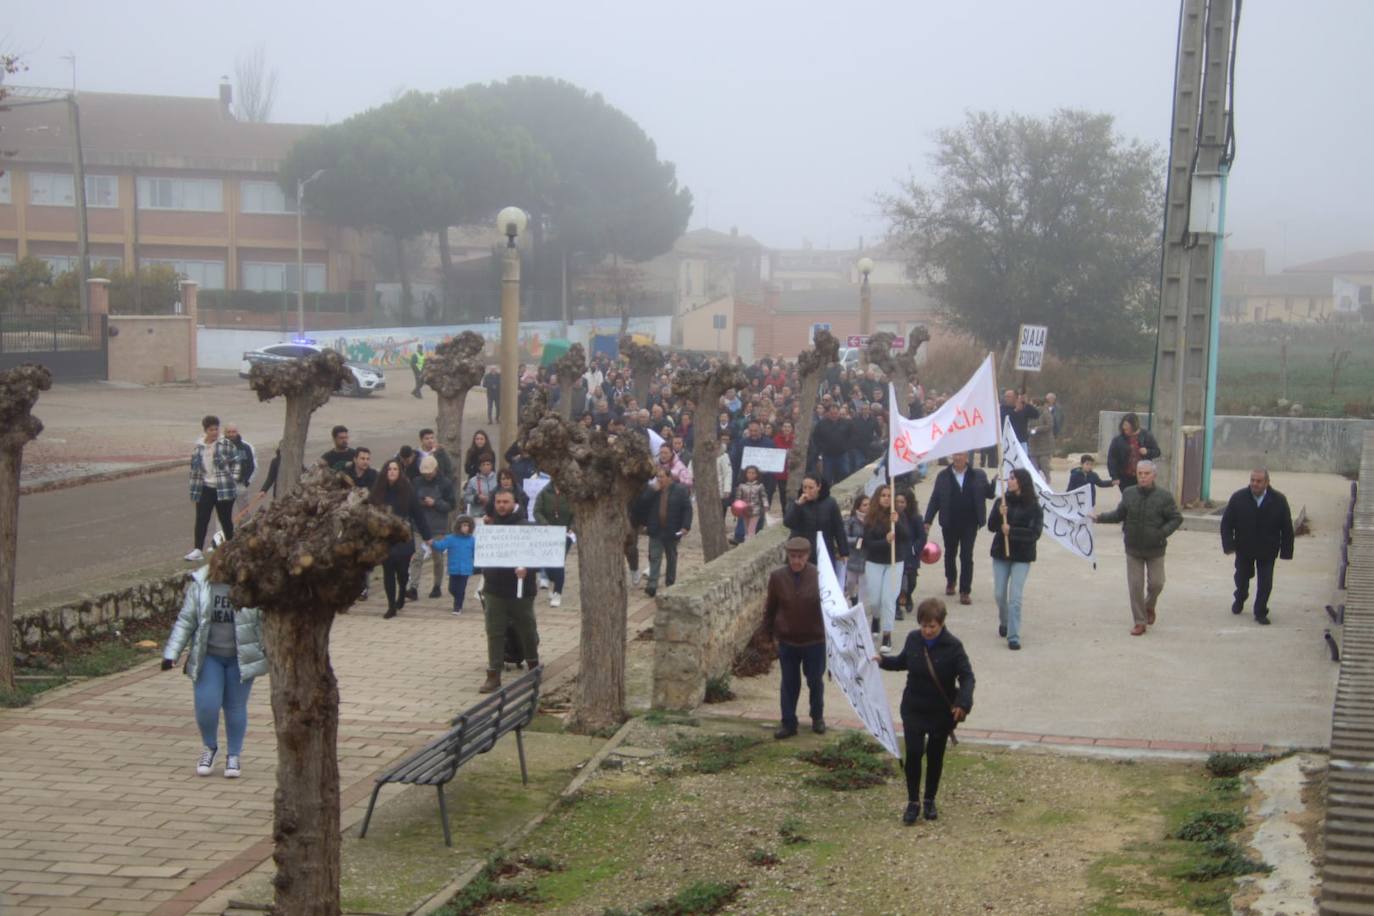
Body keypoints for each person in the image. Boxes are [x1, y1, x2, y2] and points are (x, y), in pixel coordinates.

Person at [161, 565, 266, 779]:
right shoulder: (202, 584)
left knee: (235, 707)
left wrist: (271, 650)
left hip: (241, 658)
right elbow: (186, 620)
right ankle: (209, 748)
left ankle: (234, 755)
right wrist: (171, 653)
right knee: (207, 705)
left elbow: (266, 621)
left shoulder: (253, 584)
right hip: (209, 657)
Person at [876, 598, 974, 824]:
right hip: (914, 707)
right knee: (913, 753)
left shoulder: (953, 646)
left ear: (941, 623)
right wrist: (881, 661)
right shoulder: (913, 639)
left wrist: (963, 703)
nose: (927, 631)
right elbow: (902, 662)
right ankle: (913, 801)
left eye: (932, 626)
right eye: (924, 626)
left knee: (935, 755)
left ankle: (930, 799)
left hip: (940, 711)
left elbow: (967, 677)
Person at [1093, 460, 1183, 636]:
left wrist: (1161, 533)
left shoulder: (1164, 496)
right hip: (1133, 548)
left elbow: (1176, 518)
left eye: (1146, 473)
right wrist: (1099, 517)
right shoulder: (1129, 493)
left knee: (1157, 584)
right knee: (1135, 586)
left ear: (1154, 475)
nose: (1142, 477)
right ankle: (1140, 622)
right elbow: (1119, 514)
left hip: (1155, 548)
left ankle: (1149, 605)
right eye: (1140, 473)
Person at [764, 537, 827, 739]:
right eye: (792, 556)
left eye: (800, 557)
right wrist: (767, 634)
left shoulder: (819, 575)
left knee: (815, 680)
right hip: (788, 640)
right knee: (789, 683)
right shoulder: (777, 577)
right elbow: (771, 608)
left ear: (808, 556)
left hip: (814, 639)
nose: (796, 561)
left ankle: (817, 717)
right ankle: (788, 722)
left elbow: (831, 607)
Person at [479, 488, 540, 693]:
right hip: (494, 588)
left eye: (505, 502)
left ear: (514, 503)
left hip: (521, 589)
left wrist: (527, 568)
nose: (501, 506)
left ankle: (533, 666)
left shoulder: (526, 527)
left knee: (526, 628)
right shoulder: (491, 527)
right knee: (494, 631)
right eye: (498, 502)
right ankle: (493, 674)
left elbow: (541, 555)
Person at [1220, 468, 1295, 625]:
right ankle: (1240, 597)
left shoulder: (1279, 500)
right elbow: (1226, 523)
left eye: (1259, 481)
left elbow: (1287, 528)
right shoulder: (1238, 498)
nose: (1255, 484)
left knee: (1265, 583)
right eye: (1252, 480)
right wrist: (1228, 544)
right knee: (1241, 577)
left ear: (1267, 482)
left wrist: (1286, 551)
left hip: (1267, 549)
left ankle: (1260, 611)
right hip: (1244, 547)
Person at [923, 451, 991, 605]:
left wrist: (996, 483)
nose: (958, 458)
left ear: (967, 457)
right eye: (955, 455)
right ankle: (951, 580)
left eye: (961, 455)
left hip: (970, 523)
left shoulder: (978, 475)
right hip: (950, 522)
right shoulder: (943, 476)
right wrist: (928, 520)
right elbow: (935, 499)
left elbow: (989, 493)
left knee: (966, 555)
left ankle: (965, 591)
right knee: (950, 553)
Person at [987, 468, 1044, 651]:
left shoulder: (1034, 506)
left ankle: (1013, 635)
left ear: (1022, 482)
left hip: (1022, 556)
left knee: (1015, 597)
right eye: (1009, 478)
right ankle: (1004, 621)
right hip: (1001, 554)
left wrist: (1012, 531)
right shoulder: (1002, 501)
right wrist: (998, 513)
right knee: (999, 594)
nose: (1009, 481)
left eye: (1013, 478)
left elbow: (1034, 533)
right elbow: (991, 526)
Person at [369, 459, 434, 618]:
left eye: (395, 469)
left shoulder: (407, 490)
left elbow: (418, 515)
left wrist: (427, 537)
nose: (392, 472)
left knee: (402, 573)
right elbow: (370, 515)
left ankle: (402, 593)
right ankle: (391, 606)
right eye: (389, 469)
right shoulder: (377, 491)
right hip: (385, 537)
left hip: (403, 536)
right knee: (388, 571)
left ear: (400, 472)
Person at [862, 484, 911, 654]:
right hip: (874, 561)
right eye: (883, 495)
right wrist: (885, 541)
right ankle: (876, 618)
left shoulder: (899, 515)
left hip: (894, 562)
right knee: (875, 600)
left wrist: (897, 524)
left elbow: (906, 537)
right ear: (878, 497)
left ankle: (887, 635)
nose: (886, 498)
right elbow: (868, 543)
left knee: (888, 599)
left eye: (889, 496)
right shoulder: (871, 517)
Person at [186, 415, 241, 562]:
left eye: (216, 429)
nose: (215, 432)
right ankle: (198, 549)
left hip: (223, 488)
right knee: (202, 518)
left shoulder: (225, 444)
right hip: (206, 488)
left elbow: (236, 462)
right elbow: (194, 470)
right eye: (211, 430)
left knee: (225, 519)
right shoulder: (199, 448)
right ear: (205, 431)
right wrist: (194, 492)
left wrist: (233, 479)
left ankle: (230, 546)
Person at [637, 466, 692, 597]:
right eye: (658, 477)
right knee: (654, 556)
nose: (659, 480)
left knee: (671, 557)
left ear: (669, 478)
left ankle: (670, 582)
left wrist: (686, 526)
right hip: (656, 529)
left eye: (662, 477)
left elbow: (687, 509)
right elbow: (642, 503)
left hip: (672, 530)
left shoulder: (680, 490)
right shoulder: (653, 490)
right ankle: (652, 585)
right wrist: (652, 492)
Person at [784, 474, 849, 578]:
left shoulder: (830, 503)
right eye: (805, 487)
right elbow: (788, 522)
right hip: (802, 551)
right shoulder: (798, 502)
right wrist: (798, 505)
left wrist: (844, 552)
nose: (807, 491)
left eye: (811, 488)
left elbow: (838, 528)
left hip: (823, 550)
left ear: (818, 487)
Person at [411, 455, 456, 600]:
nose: (427, 476)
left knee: (438, 558)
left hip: (438, 527)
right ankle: (413, 587)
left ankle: (437, 586)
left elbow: (451, 505)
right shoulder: (416, 482)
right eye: (425, 473)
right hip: (419, 526)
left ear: (436, 469)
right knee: (417, 556)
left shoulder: (445, 483)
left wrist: (435, 503)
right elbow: (411, 501)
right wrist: (420, 502)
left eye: (429, 473)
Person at [533, 479, 574, 608]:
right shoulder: (544, 492)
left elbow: (577, 512)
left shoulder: (571, 492)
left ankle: (558, 592)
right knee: (548, 563)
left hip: (565, 534)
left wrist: (572, 527)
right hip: (547, 533)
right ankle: (552, 580)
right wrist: (545, 523)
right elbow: (537, 511)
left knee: (558, 562)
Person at [431, 515, 477, 616]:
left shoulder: (472, 540)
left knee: (461, 588)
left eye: (468, 526)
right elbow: (441, 546)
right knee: (451, 588)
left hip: (466, 569)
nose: (466, 528)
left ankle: (457, 606)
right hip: (453, 568)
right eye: (464, 525)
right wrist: (432, 543)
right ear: (458, 526)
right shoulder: (450, 538)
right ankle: (459, 598)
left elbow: (476, 553)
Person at [1106, 413, 1161, 493]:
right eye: (1124, 426)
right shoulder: (1118, 440)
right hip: (1125, 477)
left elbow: (1157, 452)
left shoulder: (1146, 435)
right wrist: (1114, 476)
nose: (1124, 428)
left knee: (1143, 497)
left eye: (1127, 426)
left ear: (1134, 426)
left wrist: (1147, 452)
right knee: (1129, 497)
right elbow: (1112, 459)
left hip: (1143, 476)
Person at [223, 423, 256, 516]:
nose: (231, 434)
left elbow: (251, 466)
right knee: (223, 512)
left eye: (233, 432)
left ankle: (245, 524)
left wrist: (246, 482)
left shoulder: (245, 448)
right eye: (229, 432)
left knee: (244, 512)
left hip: (240, 484)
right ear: (225, 433)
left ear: (237, 432)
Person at [845, 494, 869, 606]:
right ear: (858, 506)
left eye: (869, 504)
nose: (868, 507)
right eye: (865, 505)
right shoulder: (851, 521)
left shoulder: (872, 521)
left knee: (863, 586)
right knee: (850, 582)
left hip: (867, 558)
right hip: (853, 557)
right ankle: (853, 597)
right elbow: (845, 538)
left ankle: (860, 607)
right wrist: (857, 540)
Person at [734, 465, 768, 540]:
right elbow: (738, 498)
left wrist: (765, 505)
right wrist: (736, 507)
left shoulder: (760, 486)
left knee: (751, 529)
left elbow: (764, 496)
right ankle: (746, 542)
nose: (751, 475)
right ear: (745, 474)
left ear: (757, 475)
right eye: (749, 473)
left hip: (756, 510)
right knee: (746, 529)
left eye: (753, 473)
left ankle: (750, 542)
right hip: (745, 510)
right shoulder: (741, 486)